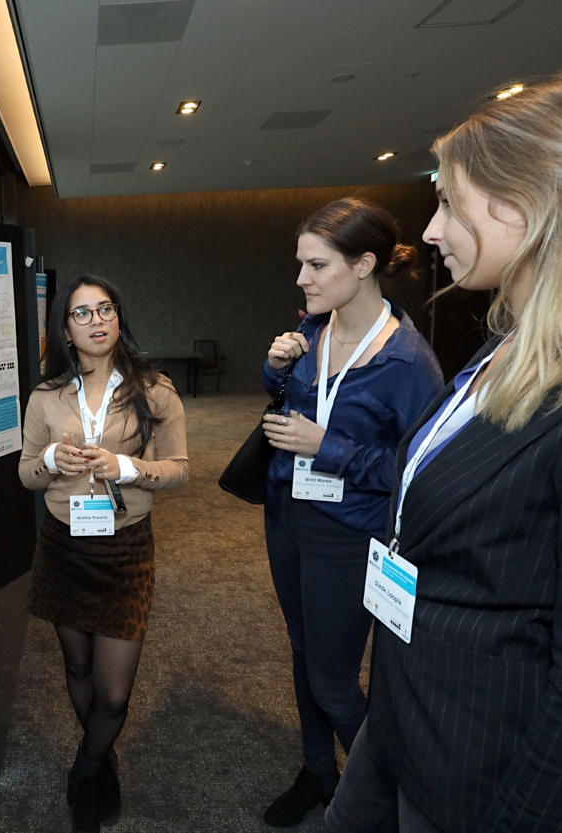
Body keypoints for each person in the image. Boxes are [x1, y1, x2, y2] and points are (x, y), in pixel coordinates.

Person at [325, 77, 562, 833]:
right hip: (403, 708)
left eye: (451, 205)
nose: (430, 231)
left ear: (525, 206)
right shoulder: (501, 349)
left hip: (476, 761)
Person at [260, 199, 443, 826]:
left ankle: (392, 800)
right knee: (304, 651)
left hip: (348, 534)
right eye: (301, 264)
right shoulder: (314, 329)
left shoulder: (408, 363)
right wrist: (274, 368)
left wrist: (327, 448)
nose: (302, 279)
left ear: (364, 264)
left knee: (334, 682)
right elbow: (289, 401)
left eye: (316, 265)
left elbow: (419, 471)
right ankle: (318, 771)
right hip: (287, 514)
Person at [18, 276, 188, 833]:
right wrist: (51, 461)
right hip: (63, 546)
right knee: (77, 665)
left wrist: (127, 467)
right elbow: (26, 475)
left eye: (105, 309)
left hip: (125, 550)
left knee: (113, 693)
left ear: (118, 318)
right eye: (82, 313)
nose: (97, 321)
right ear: (64, 329)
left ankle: (87, 765)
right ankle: (103, 757)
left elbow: (180, 470)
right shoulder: (46, 396)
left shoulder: (156, 391)